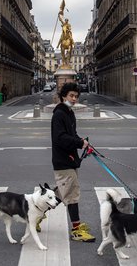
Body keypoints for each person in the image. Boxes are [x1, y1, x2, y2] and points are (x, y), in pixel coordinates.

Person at [48, 82, 95, 242]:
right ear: (63, 96)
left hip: (70, 159)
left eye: (76, 96)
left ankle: (36, 216)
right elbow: (60, 138)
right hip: (63, 161)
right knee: (72, 195)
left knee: (61, 193)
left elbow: (72, 134)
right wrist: (78, 143)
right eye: (71, 96)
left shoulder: (69, 113)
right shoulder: (59, 114)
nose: (74, 99)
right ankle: (76, 230)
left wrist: (82, 142)